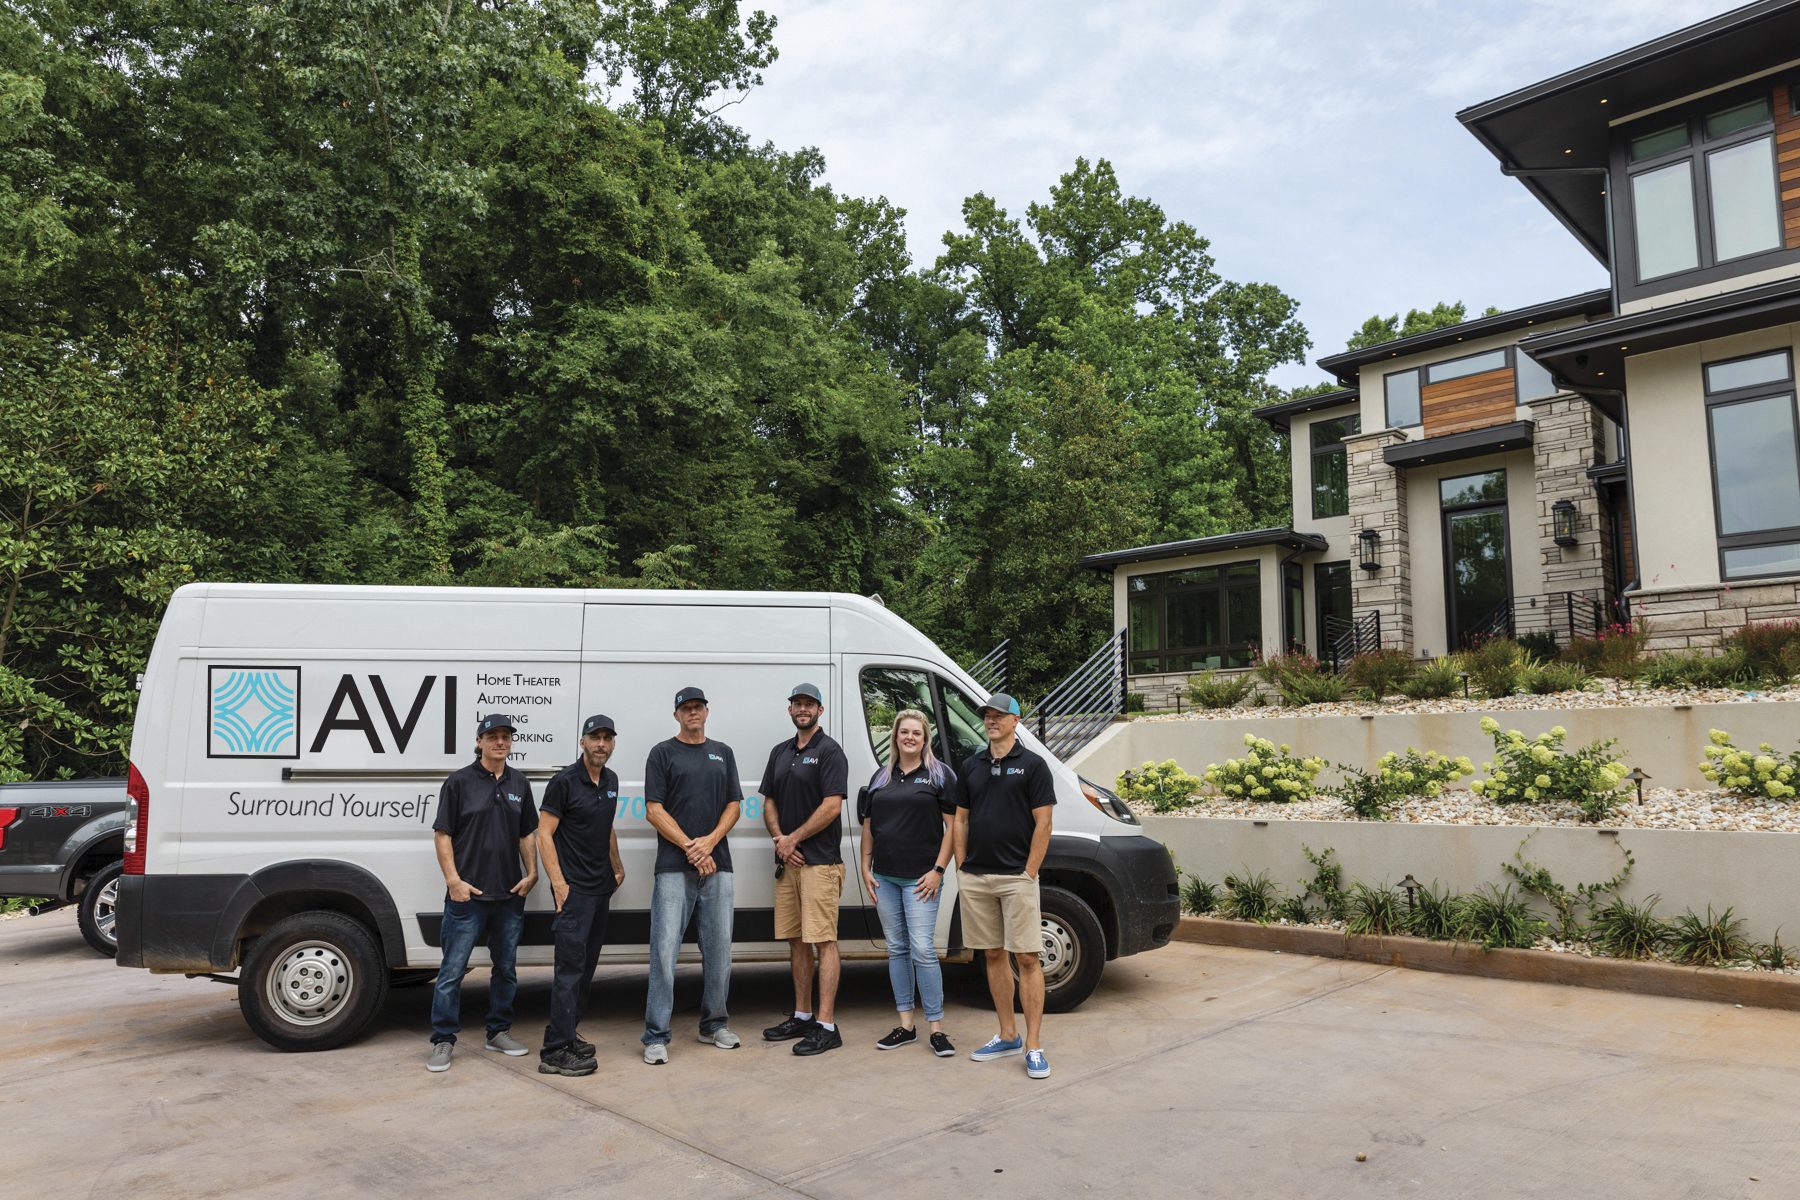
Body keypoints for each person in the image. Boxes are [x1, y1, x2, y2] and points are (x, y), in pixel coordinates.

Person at [425, 713, 539, 1073]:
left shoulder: (520, 783)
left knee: (505, 970)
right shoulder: (458, 783)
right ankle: (443, 1040)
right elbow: (442, 834)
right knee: (452, 971)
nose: (500, 742)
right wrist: (453, 881)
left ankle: (498, 1031)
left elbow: (526, 834)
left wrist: (532, 872)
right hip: (467, 897)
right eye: (492, 736)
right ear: (479, 742)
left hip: (508, 896)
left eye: (505, 736)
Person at [953, 692, 1055, 1080]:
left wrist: (1029, 872)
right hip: (977, 877)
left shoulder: (1033, 766)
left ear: (1016, 721)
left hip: (1017, 878)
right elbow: (960, 820)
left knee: (1027, 958)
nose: (991, 720)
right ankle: (1007, 1034)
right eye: (987, 716)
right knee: (993, 955)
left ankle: (1034, 1045)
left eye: (999, 715)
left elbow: (1043, 824)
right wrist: (962, 867)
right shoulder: (971, 766)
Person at [641, 686, 742, 1064]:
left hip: (718, 866)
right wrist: (690, 847)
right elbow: (653, 809)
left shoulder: (723, 752)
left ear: (706, 711)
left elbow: (734, 804)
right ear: (677, 715)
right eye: (686, 708)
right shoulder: (662, 753)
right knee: (664, 952)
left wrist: (710, 842)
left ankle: (714, 1025)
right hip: (673, 868)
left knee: (719, 951)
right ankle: (655, 1035)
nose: (693, 713)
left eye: (698, 707)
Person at [858, 708, 957, 1057]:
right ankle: (905, 1025)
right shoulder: (881, 778)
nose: (910, 737)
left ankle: (937, 1028)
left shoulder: (939, 776)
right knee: (897, 949)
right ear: (896, 737)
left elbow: (953, 828)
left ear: (925, 738)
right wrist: (865, 866)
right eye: (904, 732)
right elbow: (869, 827)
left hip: (921, 880)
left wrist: (939, 871)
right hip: (885, 878)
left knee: (923, 950)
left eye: (917, 732)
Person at [758, 683, 850, 1056]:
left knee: (824, 942)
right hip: (789, 863)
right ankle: (802, 1014)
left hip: (820, 864)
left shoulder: (829, 751)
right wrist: (781, 839)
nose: (802, 709)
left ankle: (827, 1025)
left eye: (809, 704)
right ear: (790, 709)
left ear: (820, 710)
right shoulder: (780, 752)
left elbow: (832, 806)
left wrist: (794, 839)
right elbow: (769, 802)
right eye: (797, 703)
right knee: (796, 941)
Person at [535, 714, 626, 1077]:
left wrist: (617, 866)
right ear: (582, 742)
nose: (601, 744)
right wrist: (558, 883)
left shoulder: (611, 781)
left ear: (612, 743)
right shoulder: (564, 782)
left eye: (606, 738)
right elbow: (544, 834)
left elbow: (606, 828)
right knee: (569, 971)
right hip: (574, 892)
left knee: (586, 970)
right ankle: (554, 1051)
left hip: (600, 888)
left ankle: (568, 1034)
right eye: (594, 737)